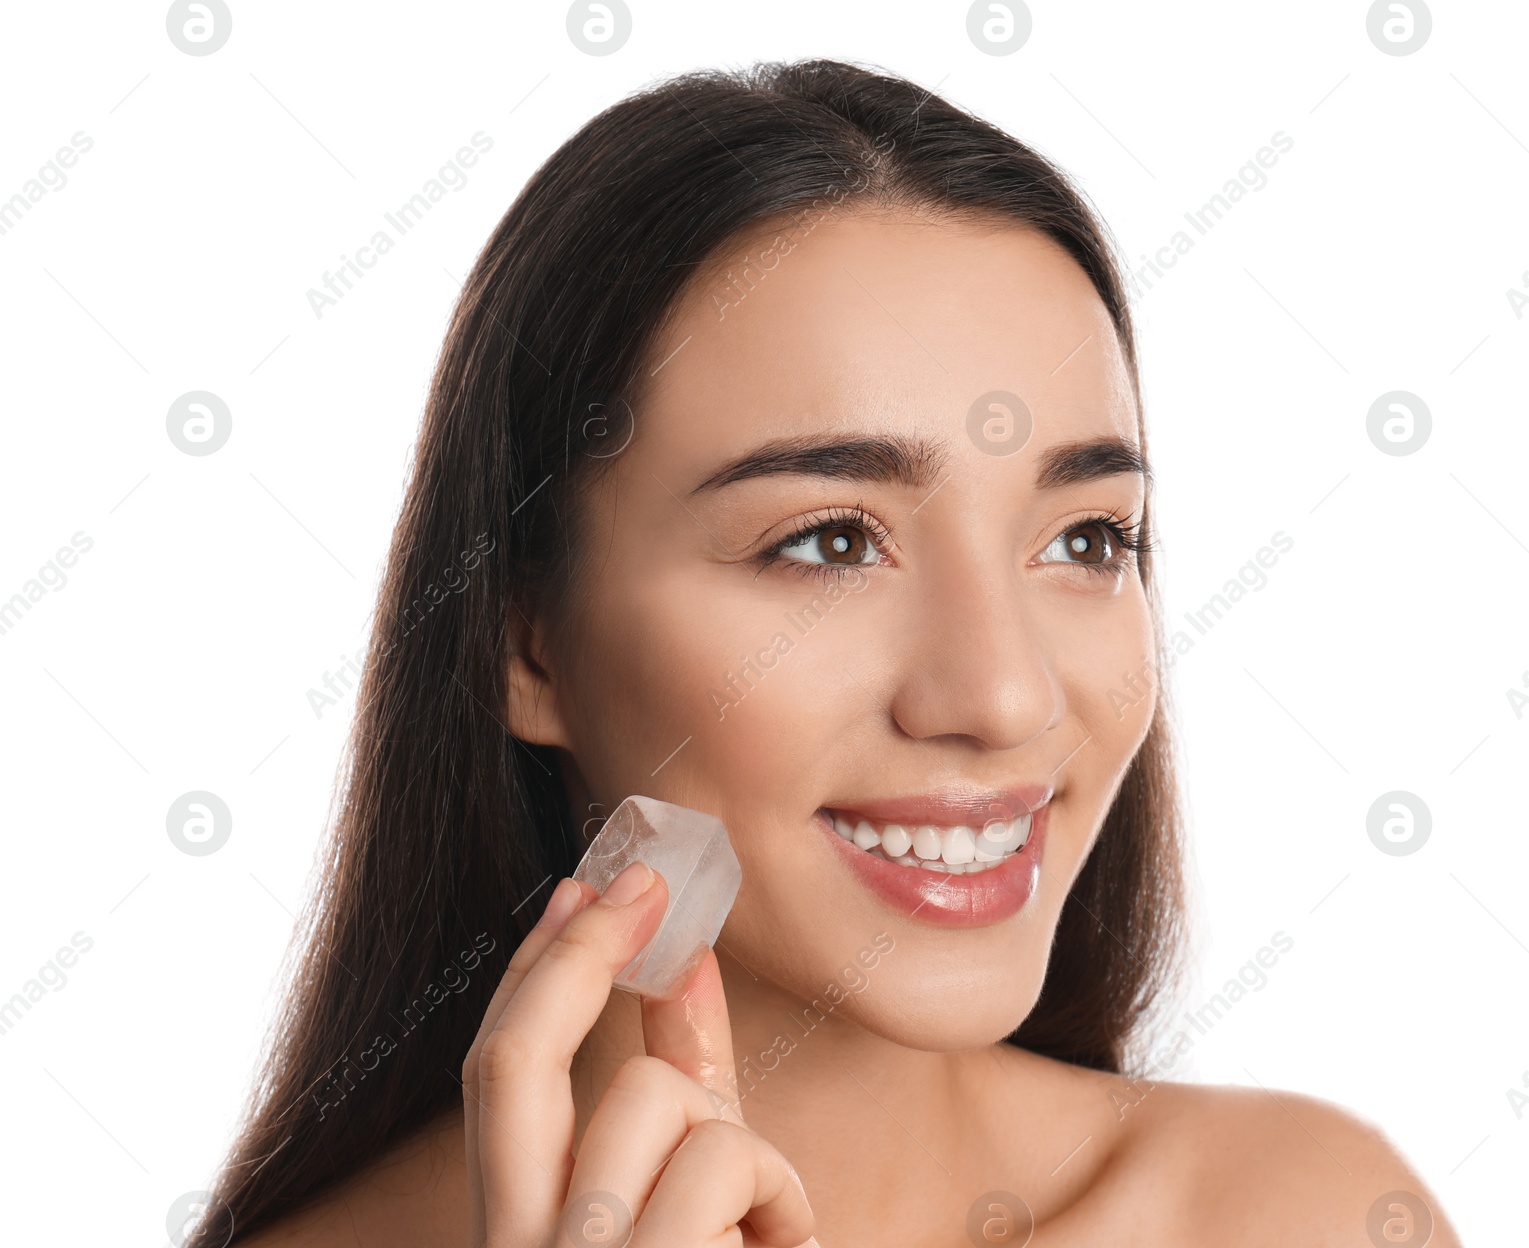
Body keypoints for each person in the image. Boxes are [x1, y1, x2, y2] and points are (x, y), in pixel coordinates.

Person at [193, 59, 1459, 1248]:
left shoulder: (1304, 1213)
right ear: (524, 644)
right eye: (831, 544)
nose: (1004, 696)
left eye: (1084, 539)